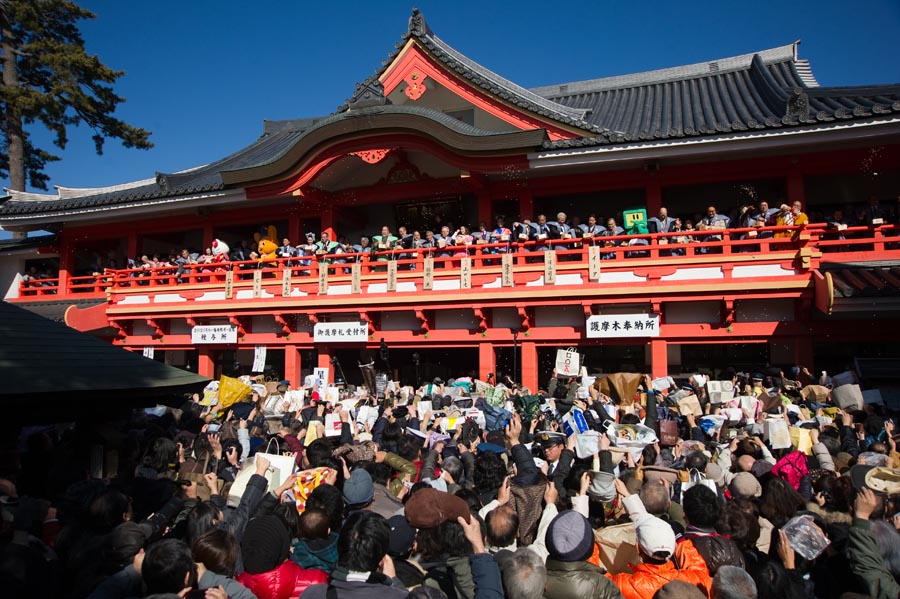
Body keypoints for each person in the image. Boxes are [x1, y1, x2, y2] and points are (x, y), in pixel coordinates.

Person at [300, 511, 407, 598]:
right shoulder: (398, 595)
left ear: (340, 547)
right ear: (382, 559)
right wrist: (394, 581)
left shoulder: (313, 594)